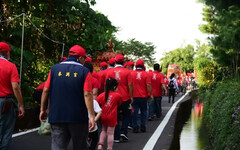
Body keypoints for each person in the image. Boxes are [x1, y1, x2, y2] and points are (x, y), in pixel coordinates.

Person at [39, 45, 95, 150]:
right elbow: (87, 94)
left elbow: (46, 90)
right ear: (80, 58)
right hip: (78, 118)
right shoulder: (84, 71)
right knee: (80, 146)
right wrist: (92, 115)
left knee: (58, 147)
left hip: (57, 116)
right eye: (84, 59)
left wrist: (43, 109)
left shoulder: (54, 69)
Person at [0, 42, 25, 150]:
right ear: (6, 53)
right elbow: (15, 87)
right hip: (4, 102)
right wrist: (21, 105)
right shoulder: (10, 66)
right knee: (6, 129)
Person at [105, 54, 133, 142]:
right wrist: (131, 96)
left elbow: (106, 84)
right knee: (127, 115)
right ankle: (124, 131)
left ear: (115, 61)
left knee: (115, 117)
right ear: (123, 62)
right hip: (125, 98)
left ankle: (116, 136)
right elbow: (130, 85)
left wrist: (107, 95)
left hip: (113, 98)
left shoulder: (109, 72)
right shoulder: (127, 72)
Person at [96, 78, 122, 150]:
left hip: (103, 116)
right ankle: (109, 148)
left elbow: (96, 103)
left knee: (103, 130)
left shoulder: (102, 95)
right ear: (114, 87)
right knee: (110, 133)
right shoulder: (117, 95)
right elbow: (119, 103)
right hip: (112, 117)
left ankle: (100, 145)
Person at [131, 59, 153, 133]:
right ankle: (143, 126)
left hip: (134, 96)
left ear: (136, 66)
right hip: (144, 96)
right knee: (144, 111)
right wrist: (151, 94)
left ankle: (135, 127)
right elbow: (148, 85)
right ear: (143, 66)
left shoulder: (132, 73)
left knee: (135, 111)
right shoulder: (146, 74)